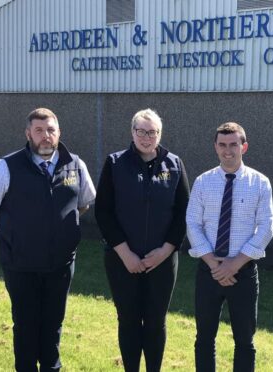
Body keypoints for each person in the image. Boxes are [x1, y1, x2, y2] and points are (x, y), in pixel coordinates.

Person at [0, 107, 96, 371]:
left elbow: (84, 203)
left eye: (51, 130)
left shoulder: (75, 165)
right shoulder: (5, 167)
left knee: (54, 324)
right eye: (39, 130)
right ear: (28, 133)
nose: (46, 136)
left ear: (59, 133)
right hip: (21, 265)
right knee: (26, 325)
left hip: (61, 265)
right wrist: (12, 234)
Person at [95, 108, 190, 372]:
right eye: (142, 131)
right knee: (128, 320)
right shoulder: (115, 163)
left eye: (153, 132)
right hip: (122, 260)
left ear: (159, 134)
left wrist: (166, 250)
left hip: (162, 260)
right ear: (132, 132)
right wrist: (125, 254)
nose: (147, 137)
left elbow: (184, 211)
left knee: (156, 321)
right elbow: (103, 211)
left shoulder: (174, 164)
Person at [187, 122, 273, 372]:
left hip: (243, 272)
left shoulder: (260, 183)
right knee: (204, 338)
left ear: (243, 147)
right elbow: (192, 223)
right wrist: (215, 265)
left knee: (245, 341)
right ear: (215, 147)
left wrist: (234, 264)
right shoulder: (203, 182)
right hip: (209, 270)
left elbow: (266, 228)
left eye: (233, 144)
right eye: (222, 145)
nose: (228, 151)